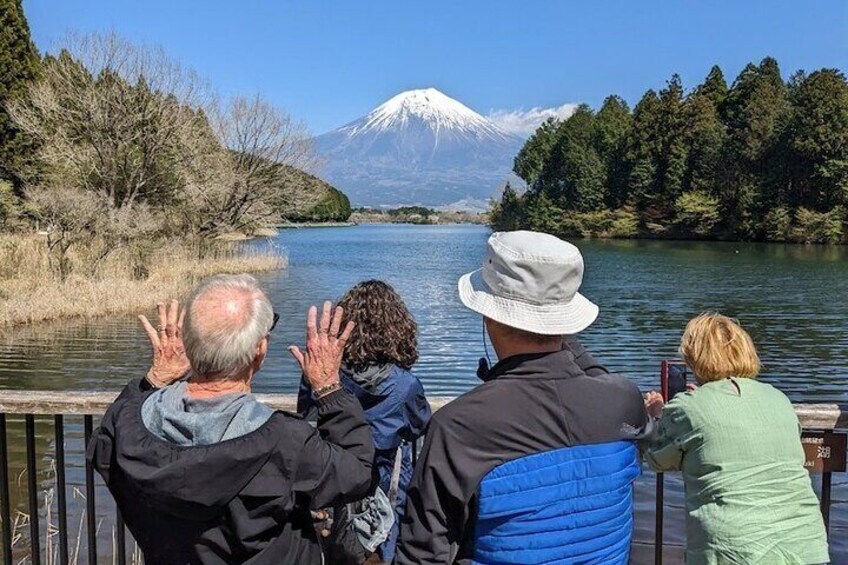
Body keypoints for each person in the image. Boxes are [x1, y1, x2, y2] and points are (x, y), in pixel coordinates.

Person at [396, 230, 650, 565]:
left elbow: (422, 554)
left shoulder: (459, 426)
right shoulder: (623, 401)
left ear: (489, 316)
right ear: (567, 319)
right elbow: (599, 385)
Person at [87, 274, 375, 564]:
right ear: (258, 353)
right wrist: (329, 390)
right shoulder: (284, 441)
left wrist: (155, 380)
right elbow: (357, 474)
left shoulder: (131, 424)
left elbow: (103, 447)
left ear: (187, 344)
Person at [643, 313, 829, 564]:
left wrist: (656, 416)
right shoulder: (778, 398)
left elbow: (656, 459)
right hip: (806, 546)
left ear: (693, 358)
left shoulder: (688, 408)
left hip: (734, 552)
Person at [298, 280, 431, 564]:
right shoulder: (404, 384)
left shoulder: (321, 375)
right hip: (385, 490)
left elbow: (305, 414)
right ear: (398, 328)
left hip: (330, 485)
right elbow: (420, 425)